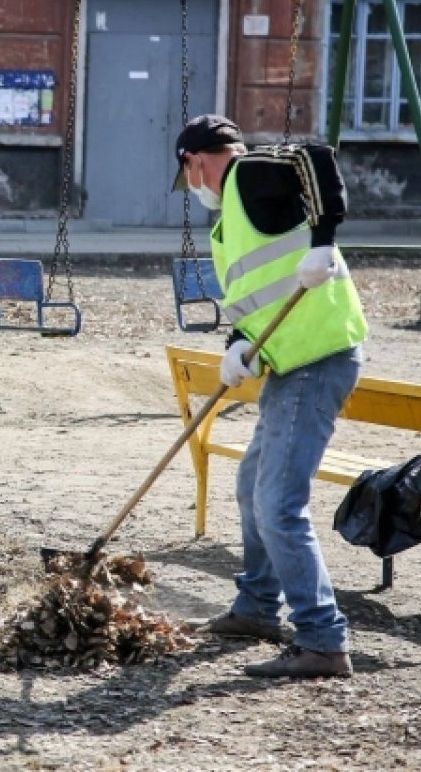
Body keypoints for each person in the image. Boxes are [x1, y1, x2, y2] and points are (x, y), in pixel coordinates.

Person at [171, 114, 368, 678]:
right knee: (250, 483)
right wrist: (238, 345)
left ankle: (323, 640)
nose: (192, 188)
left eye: (188, 175)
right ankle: (258, 608)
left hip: (316, 357)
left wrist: (324, 243)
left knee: (278, 504)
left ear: (196, 160)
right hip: (290, 361)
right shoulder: (233, 214)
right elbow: (257, 293)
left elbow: (316, 158)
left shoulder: (248, 171)